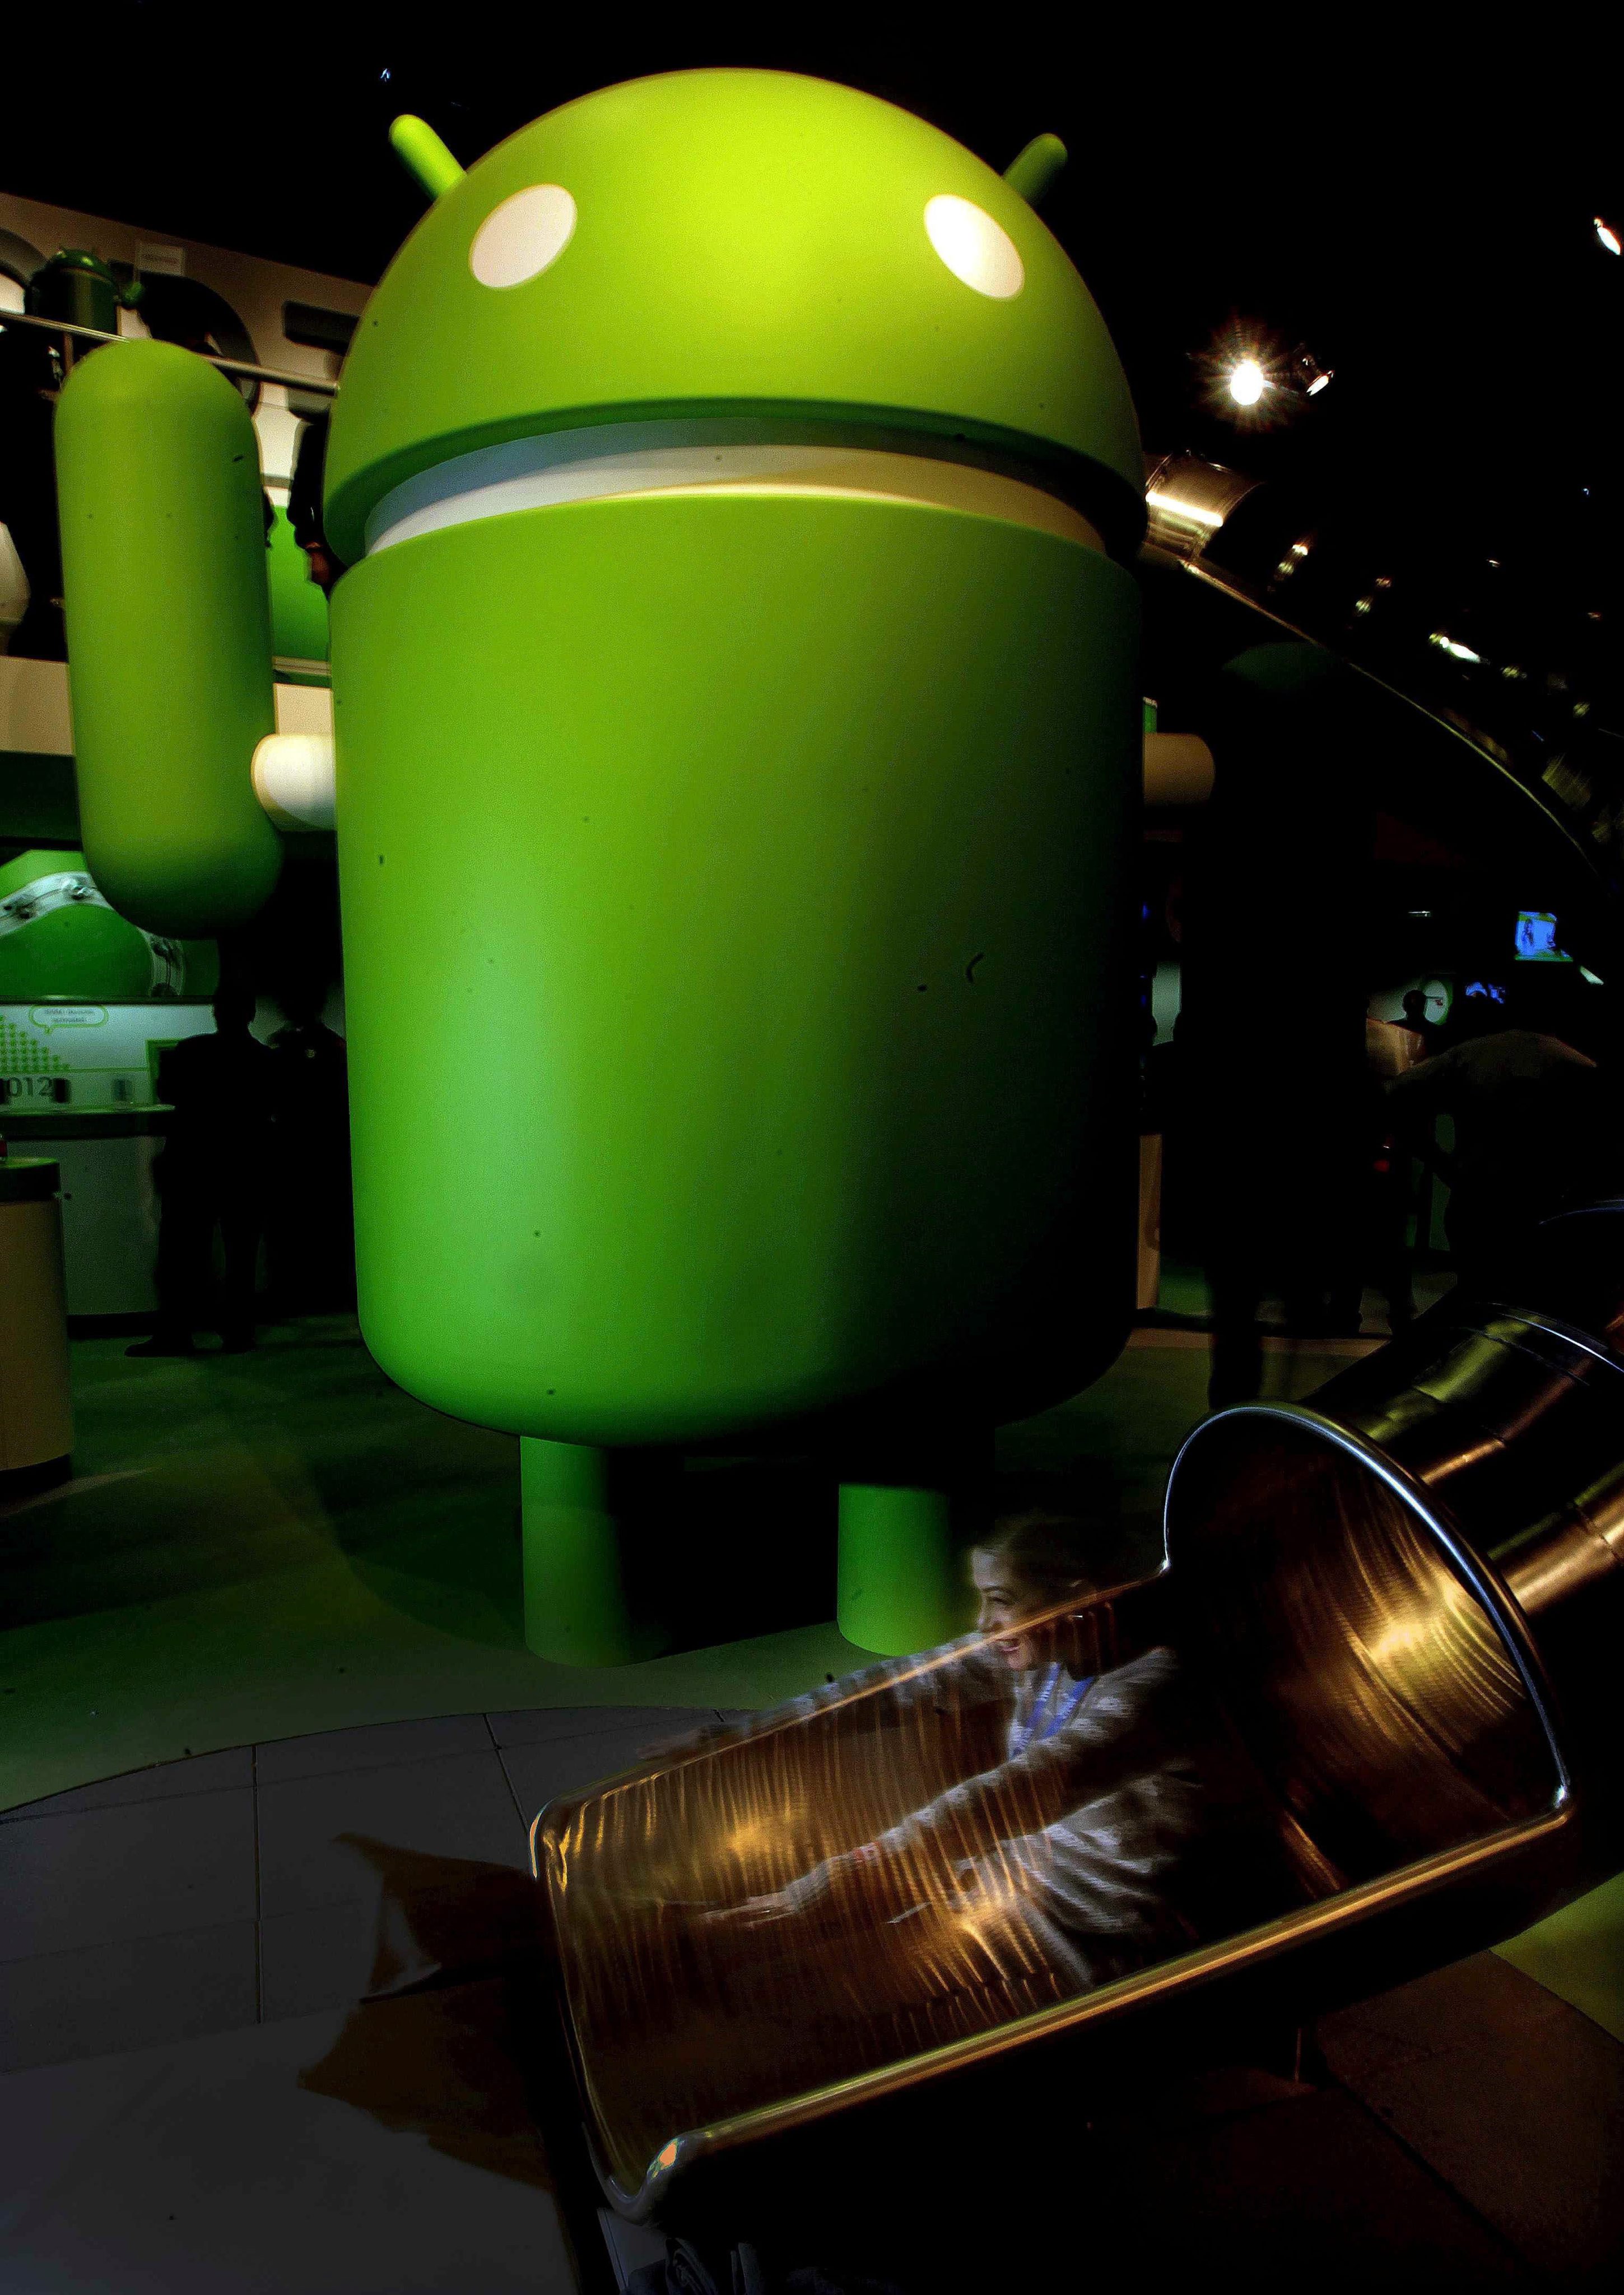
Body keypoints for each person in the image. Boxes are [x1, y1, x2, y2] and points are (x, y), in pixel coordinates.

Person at [708, 1512, 1207, 1998]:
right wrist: (745, 1737)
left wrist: (843, 1877)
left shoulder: (1157, 1686)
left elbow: (1013, 1795)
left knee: (784, 1992)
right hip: (1006, 1885)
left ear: (1079, 1599)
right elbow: (897, 1686)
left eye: (1001, 1601)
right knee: (751, 1951)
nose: (983, 1623)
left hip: (1095, 1935)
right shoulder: (1047, 1649)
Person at [129, 984, 276, 1356]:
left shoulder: (190, 1050)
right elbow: (274, 1107)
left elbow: (167, 1093)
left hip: (193, 1164)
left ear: (216, 1013)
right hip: (245, 1167)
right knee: (241, 1253)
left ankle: (175, 1333)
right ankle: (238, 1333)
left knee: (181, 1254)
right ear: (251, 1014)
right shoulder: (264, 1058)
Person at [266, 978, 355, 1312]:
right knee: (325, 1225)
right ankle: (326, 1292)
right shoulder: (334, 1046)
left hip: (297, 1150)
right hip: (326, 1151)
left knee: (297, 1226)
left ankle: (297, 1293)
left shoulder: (285, 1046)